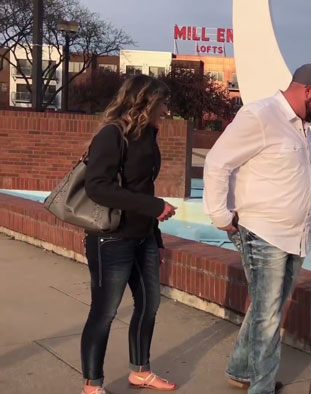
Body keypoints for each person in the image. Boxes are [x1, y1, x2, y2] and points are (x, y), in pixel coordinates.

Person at [203, 63, 311, 393]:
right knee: (267, 317)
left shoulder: (302, 127)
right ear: (308, 90)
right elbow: (217, 162)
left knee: (267, 312)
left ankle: (241, 370)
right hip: (262, 232)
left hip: (295, 236)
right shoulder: (260, 115)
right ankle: (261, 387)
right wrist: (219, 214)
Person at [80, 75, 178, 394]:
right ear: (145, 102)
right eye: (162, 103)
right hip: (111, 238)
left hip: (143, 236)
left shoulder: (148, 134)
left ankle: (140, 371)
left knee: (149, 303)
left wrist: (156, 237)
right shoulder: (112, 135)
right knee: (105, 312)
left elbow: (142, 186)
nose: (166, 109)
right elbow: (97, 187)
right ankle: (92, 385)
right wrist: (152, 205)